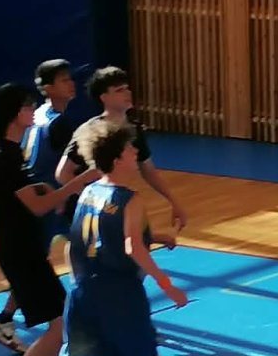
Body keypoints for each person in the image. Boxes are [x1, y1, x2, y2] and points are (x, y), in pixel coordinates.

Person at [59, 121, 216, 356]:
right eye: (130, 150)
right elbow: (132, 247)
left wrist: (154, 236)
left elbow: (80, 243)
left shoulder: (88, 192)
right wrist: (167, 285)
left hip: (84, 291)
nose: (136, 153)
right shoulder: (130, 199)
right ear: (117, 159)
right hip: (119, 293)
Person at [0, 83, 88, 356]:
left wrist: (47, 190)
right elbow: (38, 206)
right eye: (27, 106)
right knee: (58, 325)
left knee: (58, 315)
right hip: (19, 250)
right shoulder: (5, 157)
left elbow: (28, 195)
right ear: (14, 113)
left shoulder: (11, 152)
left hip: (23, 246)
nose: (32, 110)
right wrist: (78, 183)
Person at [0, 59, 83, 352]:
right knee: (61, 268)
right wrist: (77, 185)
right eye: (64, 80)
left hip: (39, 203)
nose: (72, 84)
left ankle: (11, 323)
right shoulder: (57, 125)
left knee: (41, 274)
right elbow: (69, 169)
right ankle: (79, 336)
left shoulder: (36, 120)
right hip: (44, 207)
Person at [55, 66, 187, 234]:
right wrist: (92, 199)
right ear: (104, 97)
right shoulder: (90, 131)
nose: (127, 93)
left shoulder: (134, 129)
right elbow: (62, 173)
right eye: (119, 90)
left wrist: (174, 201)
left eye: (127, 88)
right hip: (87, 212)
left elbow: (148, 171)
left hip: (113, 206)